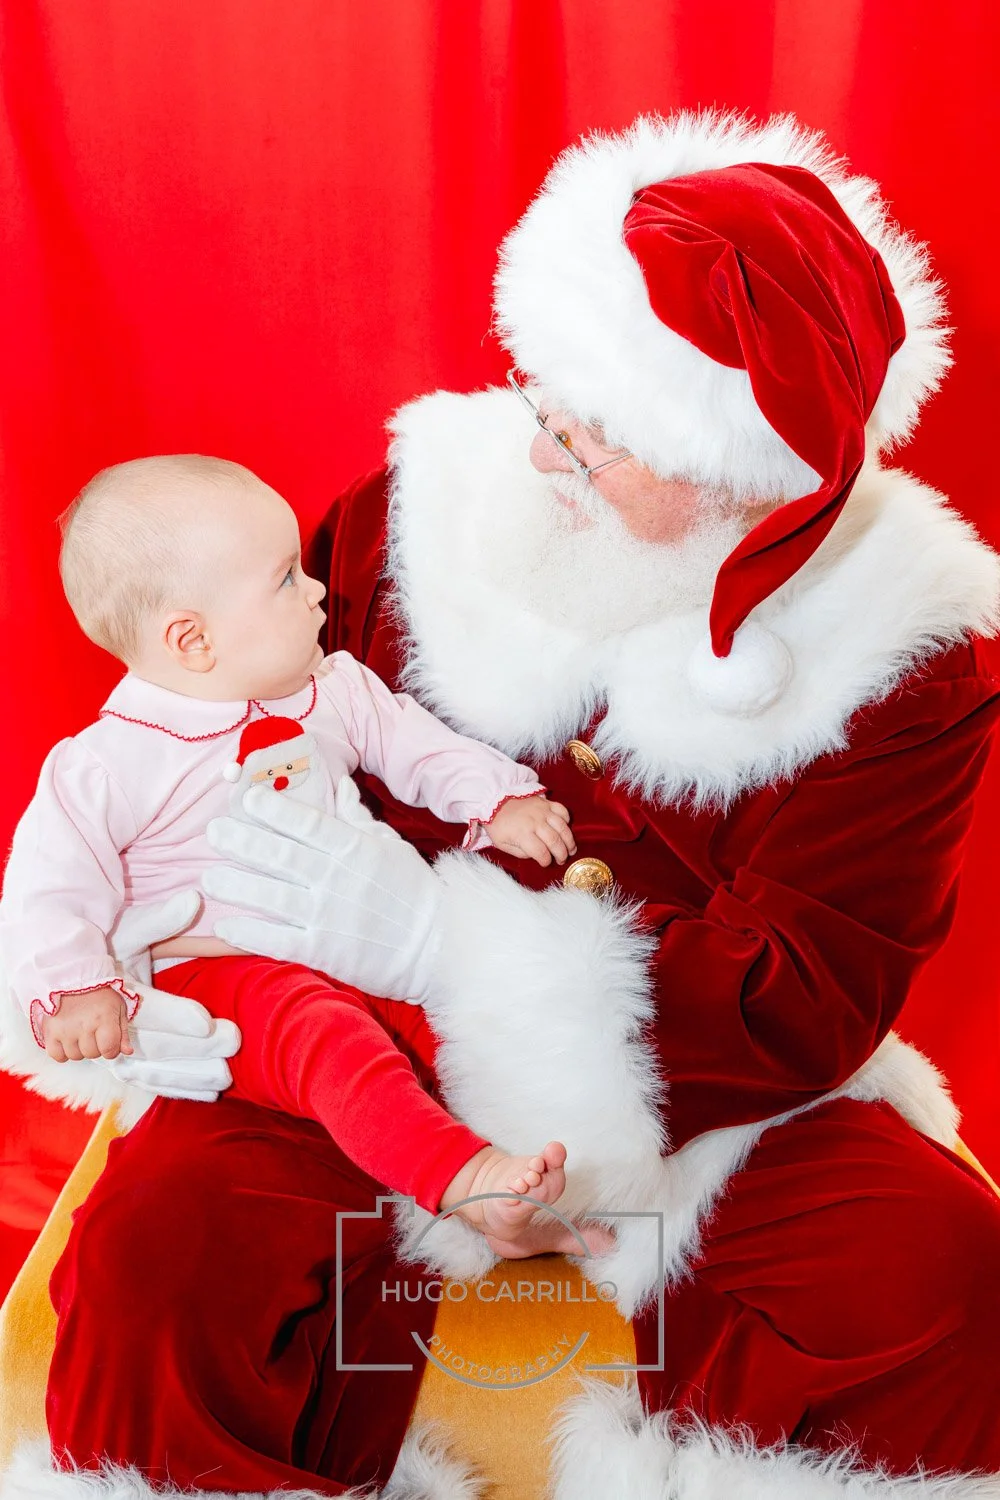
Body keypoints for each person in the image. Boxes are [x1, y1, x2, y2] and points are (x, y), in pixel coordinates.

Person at [6, 109, 1000, 1498]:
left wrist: (436, 946)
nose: (541, 456)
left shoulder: (904, 662)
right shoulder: (424, 511)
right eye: (544, 403)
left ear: (745, 477)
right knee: (164, 1248)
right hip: (336, 1039)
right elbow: (203, 725)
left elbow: (806, 993)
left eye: (592, 443)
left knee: (944, 1284)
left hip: (699, 1101)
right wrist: (127, 939)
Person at [0, 452, 586, 1257]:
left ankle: (551, 1183)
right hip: (219, 971)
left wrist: (496, 798)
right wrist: (71, 989)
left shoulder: (331, 688)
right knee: (330, 1042)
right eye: (285, 579)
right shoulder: (107, 762)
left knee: (455, 1026)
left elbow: (416, 744)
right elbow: (48, 886)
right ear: (191, 639)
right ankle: (469, 1187)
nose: (316, 591)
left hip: (352, 936)